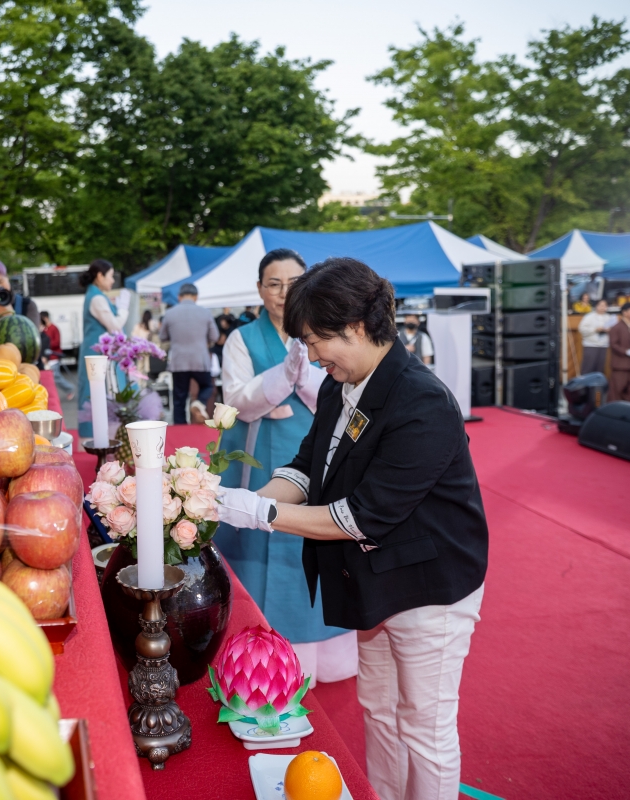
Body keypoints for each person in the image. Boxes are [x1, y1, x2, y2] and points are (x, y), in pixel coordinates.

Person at [218, 258, 488, 800]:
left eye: (318, 341)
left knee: (425, 729)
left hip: (428, 588)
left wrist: (254, 513)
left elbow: (360, 515)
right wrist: (242, 500)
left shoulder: (422, 401)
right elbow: (305, 468)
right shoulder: (348, 385)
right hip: (374, 577)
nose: (312, 356)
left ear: (359, 328)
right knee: (379, 711)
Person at [214, 249, 357, 684]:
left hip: (316, 455)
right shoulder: (241, 338)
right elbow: (238, 400)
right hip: (259, 460)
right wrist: (281, 381)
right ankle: (255, 653)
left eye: (293, 282)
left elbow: (337, 395)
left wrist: (291, 385)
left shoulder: (325, 333)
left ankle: (323, 656)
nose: (283, 293)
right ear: (259, 289)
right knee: (256, 539)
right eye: (273, 284)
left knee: (314, 542)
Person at [78, 259, 130, 437]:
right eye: (110, 276)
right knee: (97, 394)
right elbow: (114, 326)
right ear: (99, 276)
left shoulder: (96, 295)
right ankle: (100, 439)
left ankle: (102, 437)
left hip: (97, 353)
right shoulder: (97, 298)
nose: (112, 280)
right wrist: (123, 310)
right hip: (97, 355)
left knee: (97, 393)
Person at [159, 283, 219, 424]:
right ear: (195, 296)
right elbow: (214, 337)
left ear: (179, 297)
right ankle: (199, 402)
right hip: (200, 359)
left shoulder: (170, 313)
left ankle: (180, 431)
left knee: (179, 398)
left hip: (179, 361)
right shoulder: (205, 312)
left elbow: (162, 337)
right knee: (207, 386)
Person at [39, 310, 76, 400]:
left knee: (56, 377)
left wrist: (46, 344)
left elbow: (57, 342)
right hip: (47, 357)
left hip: (53, 357)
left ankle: (70, 388)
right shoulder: (44, 330)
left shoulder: (53, 328)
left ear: (46, 318)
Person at [578, 299, 613, 375]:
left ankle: (597, 386)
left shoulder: (609, 317)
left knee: (600, 368)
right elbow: (582, 329)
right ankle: (585, 386)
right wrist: (595, 329)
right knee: (588, 367)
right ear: (596, 306)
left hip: (603, 345)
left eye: (605, 306)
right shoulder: (589, 316)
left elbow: (614, 331)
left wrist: (610, 330)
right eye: (601, 305)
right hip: (591, 345)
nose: (603, 307)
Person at [132, 309, 161, 376]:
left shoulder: (138, 326)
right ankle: (146, 381)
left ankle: (140, 382)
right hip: (149, 348)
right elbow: (156, 333)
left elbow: (134, 337)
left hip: (140, 348)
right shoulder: (152, 323)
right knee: (147, 366)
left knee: (140, 366)